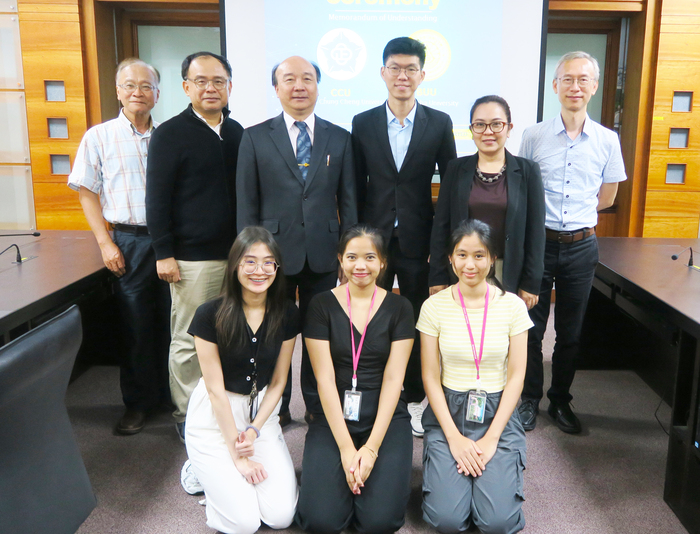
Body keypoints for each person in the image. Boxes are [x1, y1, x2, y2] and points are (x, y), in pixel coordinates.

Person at [236, 56, 357, 425]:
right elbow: (247, 202)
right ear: (277, 89)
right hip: (271, 257)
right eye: (289, 79)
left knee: (321, 334)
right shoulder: (255, 136)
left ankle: (318, 405)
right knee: (274, 331)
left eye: (307, 79)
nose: (299, 86)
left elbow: (349, 201)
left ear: (318, 87)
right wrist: (250, 258)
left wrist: (348, 256)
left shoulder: (340, 137)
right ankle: (278, 405)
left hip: (324, 253)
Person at [352, 36, 457, 437]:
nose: (402, 75)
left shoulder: (439, 122)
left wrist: (444, 245)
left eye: (410, 68)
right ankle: (372, 390)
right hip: (373, 243)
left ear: (422, 75)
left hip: (419, 240)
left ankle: (413, 398)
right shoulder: (362, 122)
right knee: (365, 317)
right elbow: (354, 186)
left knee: (415, 320)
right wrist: (355, 243)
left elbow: (450, 187)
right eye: (395, 67)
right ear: (382, 72)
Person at [517, 51, 627, 434]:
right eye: (568, 79)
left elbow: (608, 197)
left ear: (594, 87)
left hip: (581, 247)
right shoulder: (533, 136)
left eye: (583, 79)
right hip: (539, 245)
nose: (575, 86)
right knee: (530, 328)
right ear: (555, 86)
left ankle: (560, 400)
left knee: (571, 331)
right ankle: (529, 398)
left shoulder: (608, 140)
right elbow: (522, 189)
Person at [68, 58, 170, 435]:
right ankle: (138, 404)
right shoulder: (99, 136)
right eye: (130, 85)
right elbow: (86, 191)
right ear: (118, 92)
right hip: (127, 240)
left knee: (174, 325)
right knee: (135, 325)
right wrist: (105, 242)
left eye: (146, 86)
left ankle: (174, 400)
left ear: (157, 94)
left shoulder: (169, 135)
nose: (137, 92)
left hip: (169, 241)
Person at [146, 51, 244, 441]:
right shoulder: (170, 134)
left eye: (218, 81)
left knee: (232, 335)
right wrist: (163, 252)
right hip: (190, 259)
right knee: (188, 340)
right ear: (186, 87)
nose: (210, 88)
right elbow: (156, 198)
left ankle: (226, 409)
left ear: (229, 86)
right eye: (200, 81)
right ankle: (188, 417)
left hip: (237, 258)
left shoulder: (238, 133)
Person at [296, 225, 414, 534]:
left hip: (384, 415)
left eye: (369, 257)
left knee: (379, 522)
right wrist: (348, 449)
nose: (360, 266)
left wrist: (371, 449)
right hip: (334, 411)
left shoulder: (400, 308)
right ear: (340, 260)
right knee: (321, 521)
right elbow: (323, 379)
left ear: (382, 263)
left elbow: (393, 379)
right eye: (351, 257)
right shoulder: (321, 305)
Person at [417, 219, 532, 534]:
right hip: (448, 413)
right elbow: (430, 376)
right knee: (448, 521)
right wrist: (454, 438)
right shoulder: (433, 307)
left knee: (496, 523)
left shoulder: (513, 307)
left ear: (492, 258)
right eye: (462, 254)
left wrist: (493, 437)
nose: (470, 264)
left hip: (498, 411)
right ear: (450, 258)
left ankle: (498, 470)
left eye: (479, 255)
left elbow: (517, 375)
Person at [185, 226, 299, 534]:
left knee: (280, 516)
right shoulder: (209, 314)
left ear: (277, 268)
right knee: (245, 523)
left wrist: (253, 430)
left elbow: (278, 382)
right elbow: (214, 391)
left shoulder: (287, 312)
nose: (259, 270)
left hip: (260, 415)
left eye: (268, 262)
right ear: (235, 265)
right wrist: (238, 456)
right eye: (249, 261)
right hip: (214, 418)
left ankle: (224, 478)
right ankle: (200, 470)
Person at [429, 95, 545, 311]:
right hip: (464, 269)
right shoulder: (456, 169)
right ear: (472, 129)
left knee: (503, 336)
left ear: (509, 128)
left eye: (496, 124)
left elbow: (536, 232)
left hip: (508, 270)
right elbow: (441, 227)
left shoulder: (528, 171)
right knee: (463, 334)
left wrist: (531, 282)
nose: (488, 131)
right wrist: (437, 275)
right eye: (480, 125)